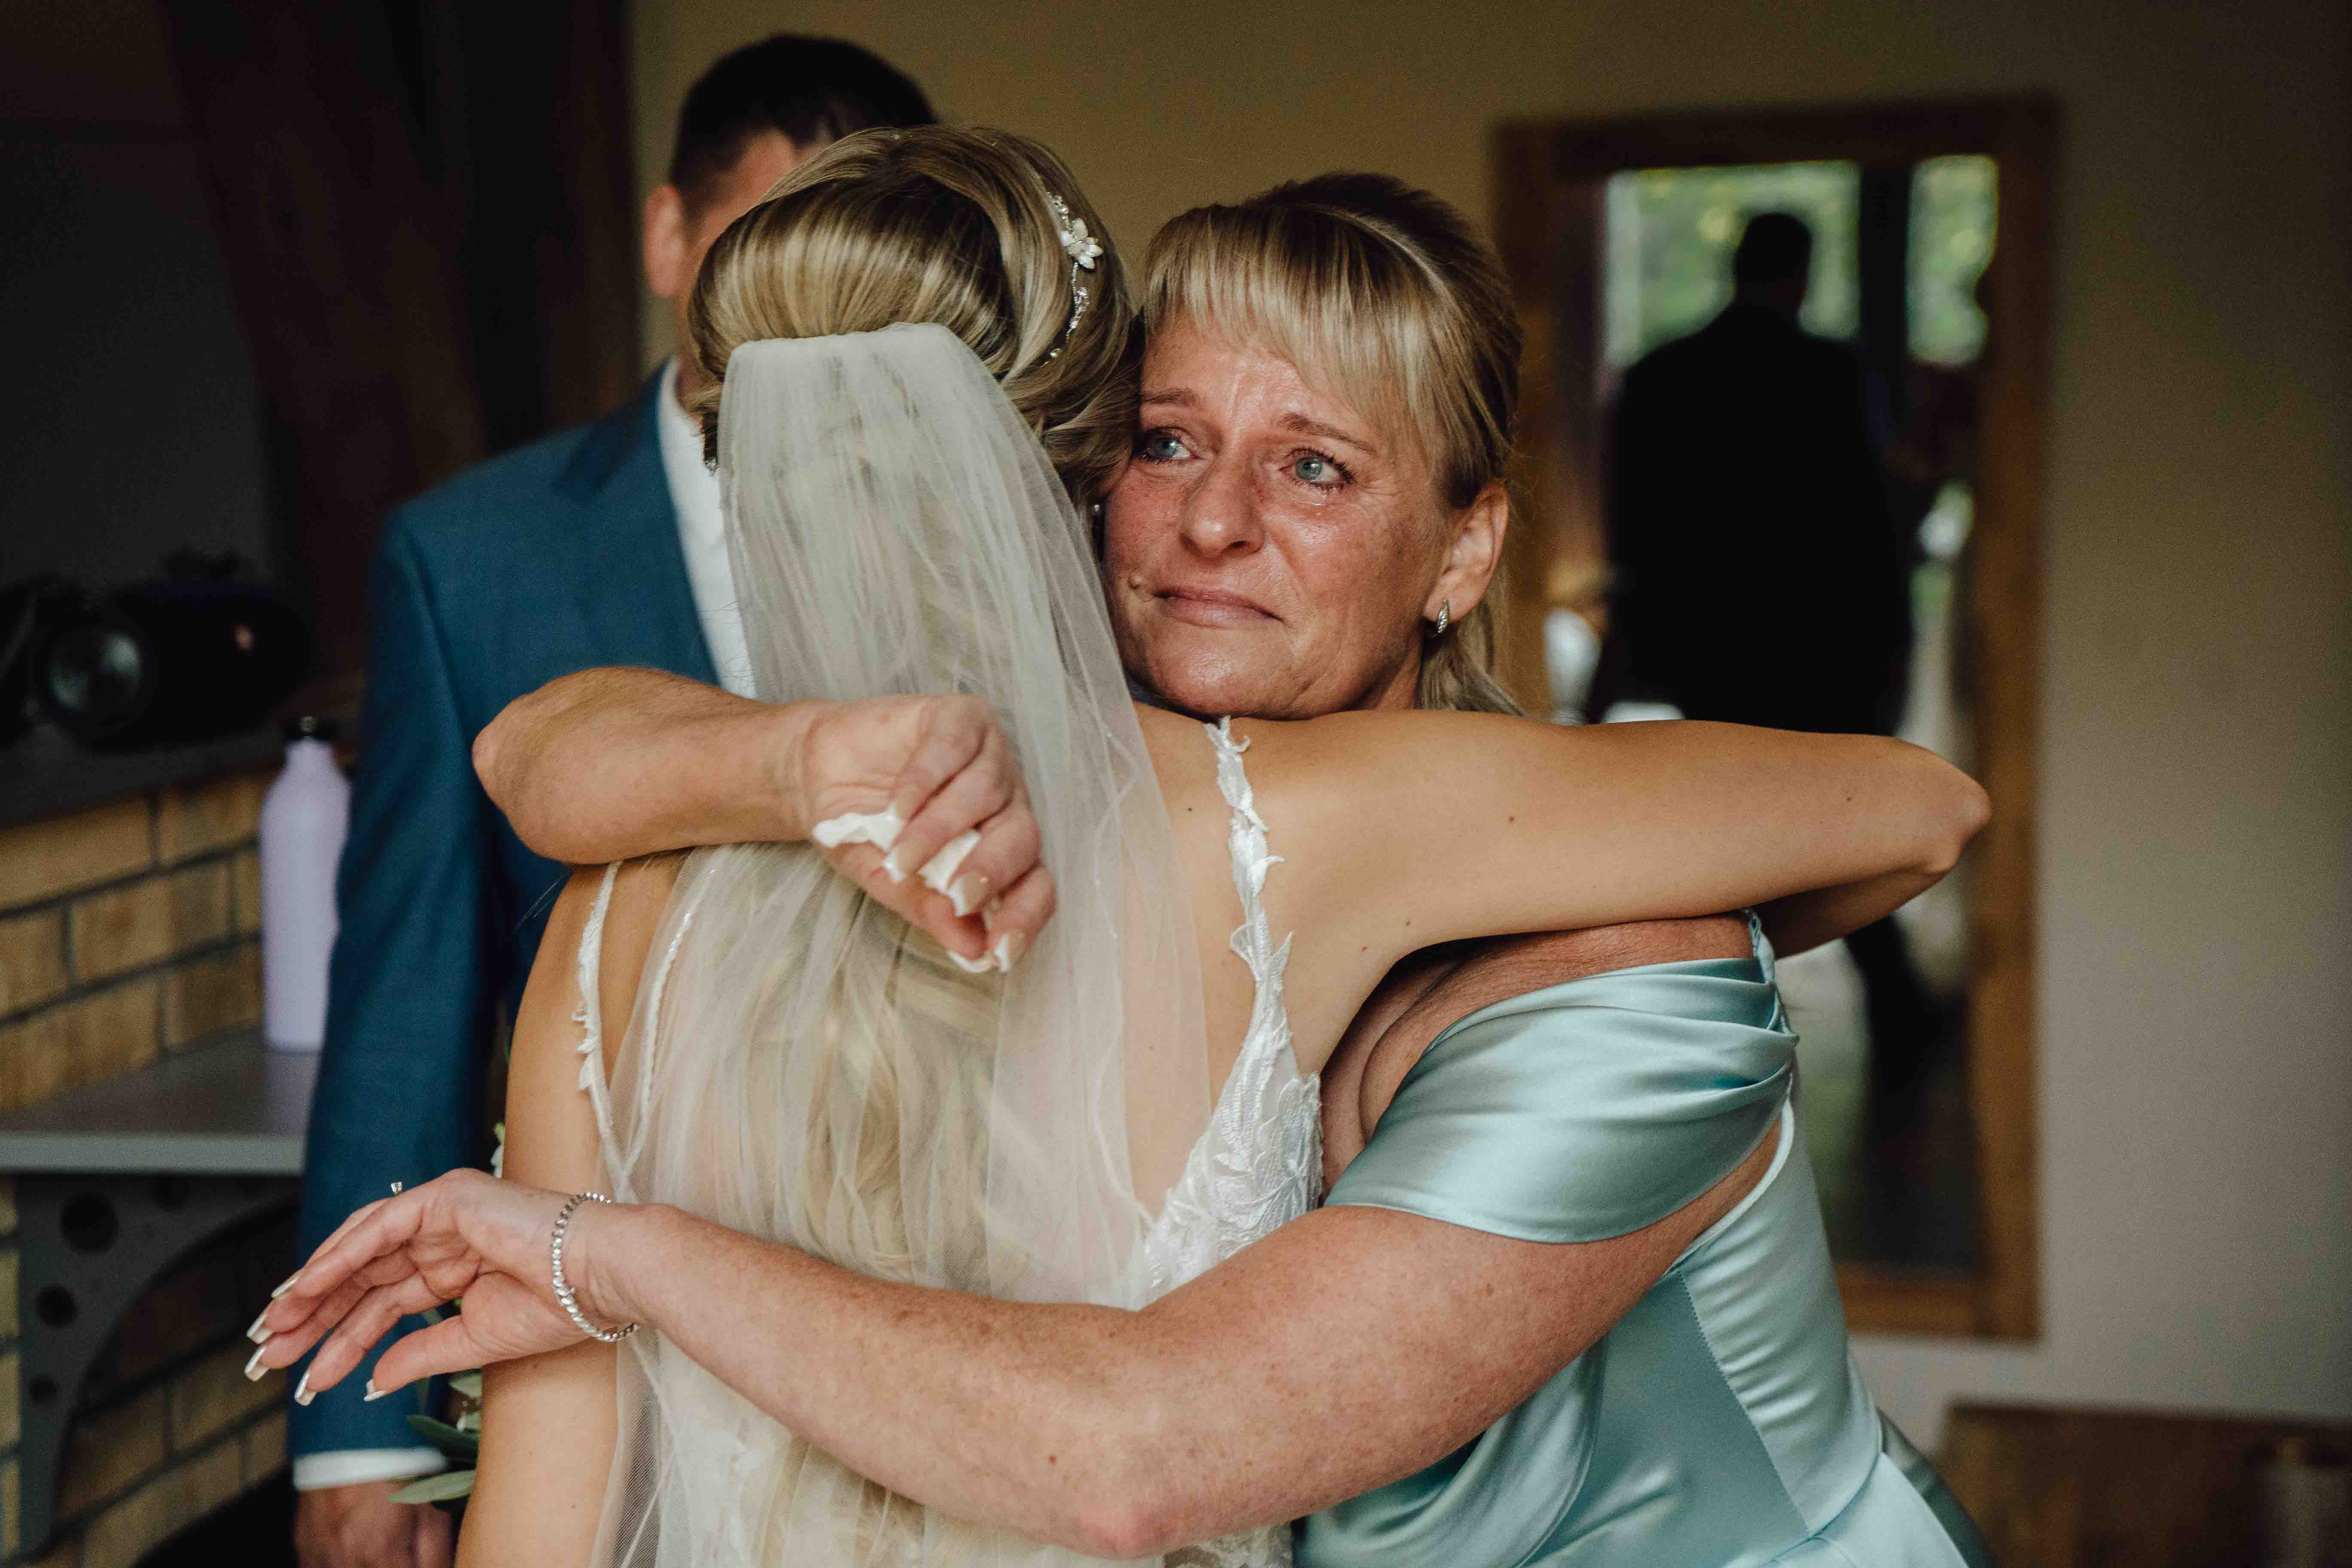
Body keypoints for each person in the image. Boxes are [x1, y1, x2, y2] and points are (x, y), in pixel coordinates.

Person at [261, 154, 1993, 1566]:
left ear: (1468, 549)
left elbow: (1921, 808)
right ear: (1073, 473)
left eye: (1312, 466)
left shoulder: (1484, 883)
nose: (1214, 521)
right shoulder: (1176, 828)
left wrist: (606, 1250)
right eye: (1167, 442)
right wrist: (797, 764)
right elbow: (537, 745)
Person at [289, 36, 934, 1568]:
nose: (802, 323)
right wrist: (362, 1428)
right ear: (666, 239)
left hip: (922, 1314)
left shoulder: (988, 533)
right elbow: (409, 999)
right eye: (756, 256)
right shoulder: (475, 556)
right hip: (580, 1338)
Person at [1604, 208, 1940, 1078]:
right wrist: (1891, 648)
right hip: (1824, 648)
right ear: (1801, 273)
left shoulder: (1660, 375)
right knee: (1840, 839)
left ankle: (1729, 1041)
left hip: (1708, 650)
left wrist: (1640, 643)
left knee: (1732, 844)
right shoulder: (1836, 374)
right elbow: (1873, 526)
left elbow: (1632, 529)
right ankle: (1887, 1018)